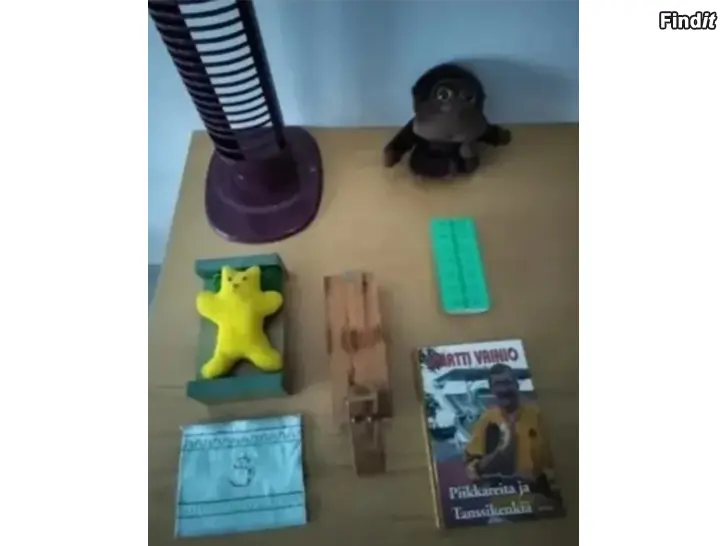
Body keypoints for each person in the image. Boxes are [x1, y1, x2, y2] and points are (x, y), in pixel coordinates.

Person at [464, 363, 555, 487]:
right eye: (498, 384)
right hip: (505, 491)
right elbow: (472, 467)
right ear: (491, 389)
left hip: (542, 489)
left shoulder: (538, 415)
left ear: (517, 384)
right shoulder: (486, 420)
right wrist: (496, 455)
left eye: (507, 383)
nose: (503, 389)